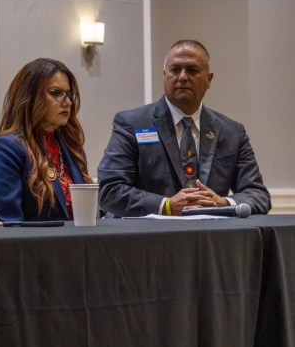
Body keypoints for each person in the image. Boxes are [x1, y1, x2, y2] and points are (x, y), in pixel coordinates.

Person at [98, 40, 270, 217]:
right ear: (165, 75)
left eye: (192, 70)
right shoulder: (132, 124)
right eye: (175, 70)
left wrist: (222, 203)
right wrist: (166, 205)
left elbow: (258, 195)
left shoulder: (232, 132)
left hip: (211, 240)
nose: (182, 77)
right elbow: (110, 190)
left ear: (209, 79)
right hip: (148, 238)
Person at [0, 59, 91, 222]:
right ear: (30, 97)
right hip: (34, 246)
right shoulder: (7, 148)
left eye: (69, 94)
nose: (67, 102)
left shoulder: (71, 147)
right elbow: (8, 224)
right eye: (56, 93)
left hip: (81, 244)